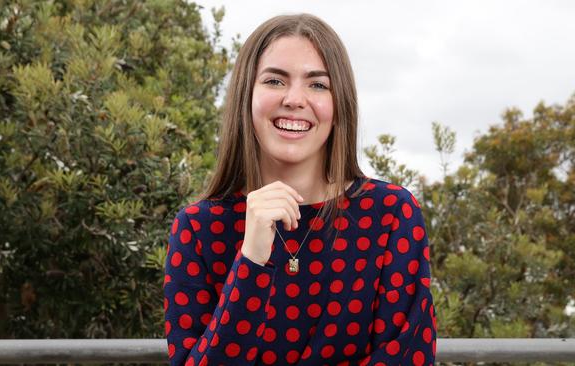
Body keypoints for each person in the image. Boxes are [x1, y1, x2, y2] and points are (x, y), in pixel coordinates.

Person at [163, 13, 436, 366]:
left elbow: (409, 358)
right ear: (247, 97)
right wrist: (251, 261)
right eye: (275, 81)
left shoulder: (391, 214)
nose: (294, 99)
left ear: (339, 107)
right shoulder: (198, 229)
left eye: (317, 85)